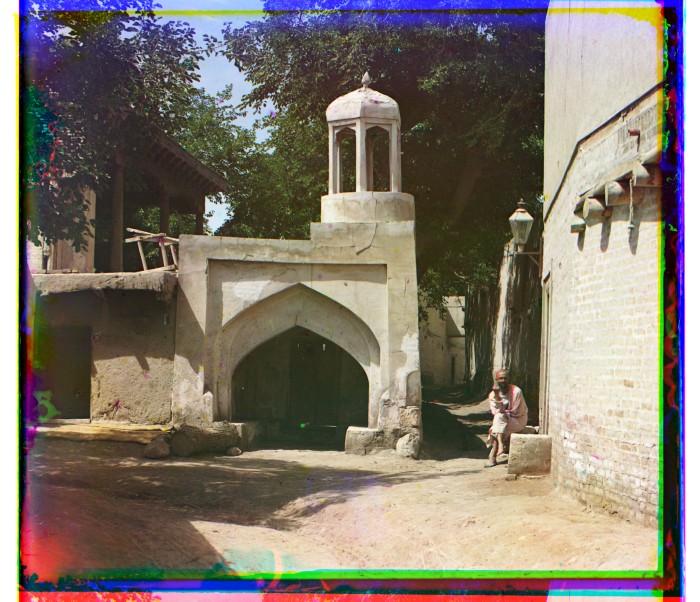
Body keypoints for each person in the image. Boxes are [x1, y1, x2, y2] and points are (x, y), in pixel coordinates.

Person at [485, 368, 528, 467]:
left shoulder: (516, 391)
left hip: (518, 420)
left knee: (496, 426)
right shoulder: (492, 395)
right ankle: (499, 447)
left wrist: (505, 413)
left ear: (508, 379)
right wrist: (497, 398)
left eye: (505, 378)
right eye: (500, 378)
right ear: (496, 380)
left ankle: (493, 456)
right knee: (498, 421)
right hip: (503, 421)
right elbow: (495, 412)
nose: (503, 381)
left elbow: (518, 412)